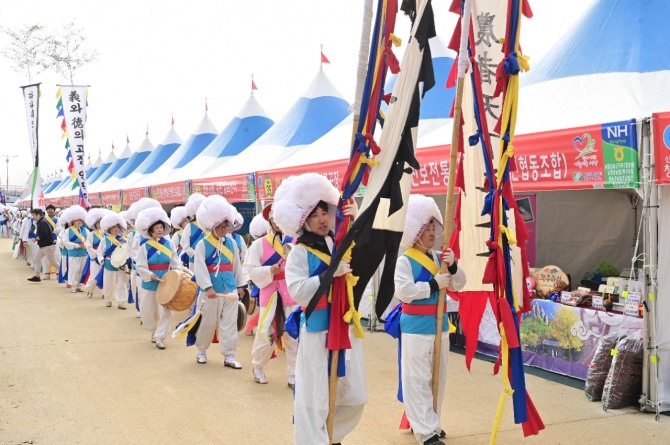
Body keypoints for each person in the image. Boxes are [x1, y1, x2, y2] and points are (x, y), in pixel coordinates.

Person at [275, 173, 365, 445]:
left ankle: (331, 435)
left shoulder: (335, 243)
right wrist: (329, 276)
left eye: (324, 211)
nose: (323, 219)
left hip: (344, 326)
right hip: (317, 331)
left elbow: (358, 252)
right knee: (315, 398)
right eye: (314, 214)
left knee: (355, 395)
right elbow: (299, 291)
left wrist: (355, 220)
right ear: (303, 220)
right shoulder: (299, 253)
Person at [393, 194, 467, 445]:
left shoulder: (439, 257)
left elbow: (459, 283)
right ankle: (424, 430)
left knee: (439, 376)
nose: (432, 232)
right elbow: (404, 292)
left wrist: (454, 265)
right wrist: (433, 285)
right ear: (415, 231)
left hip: (440, 326)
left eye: (433, 226)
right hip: (415, 327)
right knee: (417, 379)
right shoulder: (404, 260)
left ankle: (432, 422)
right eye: (426, 227)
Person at [244, 203, 298, 387]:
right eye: (276, 219)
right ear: (271, 221)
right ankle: (258, 366)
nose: (279, 223)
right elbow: (249, 269)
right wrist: (269, 270)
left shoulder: (296, 242)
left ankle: (294, 375)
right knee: (266, 332)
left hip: (290, 292)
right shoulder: (260, 244)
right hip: (270, 292)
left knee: (293, 334)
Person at [191, 195, 247, 367]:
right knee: (208, 323)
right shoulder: (202, 244)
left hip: (229, 289)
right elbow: (199, 267)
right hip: (212, 292)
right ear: (212, 225)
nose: (223, 229)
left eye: (225, 226)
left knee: (230, 323)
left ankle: (229, 355)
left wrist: (240, 285)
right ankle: (201, 350)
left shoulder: (231, 244)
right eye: (220, 226)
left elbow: (236, 265)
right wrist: (207, 287)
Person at [135, 207, 184, 350]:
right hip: (150, 282)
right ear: (151, 230)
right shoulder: (144, 247)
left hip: (167, 282)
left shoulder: (169, 244)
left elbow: (175, 262)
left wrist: (179, 272)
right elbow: (140, 266)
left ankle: (161, 336)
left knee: (166, 310)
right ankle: (154, 330)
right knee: (149, 311)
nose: (160, 229)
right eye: (157, 227)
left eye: (162, 227)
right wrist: (150, 274)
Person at [97, 212, 129, 309]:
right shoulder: (104, 240)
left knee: (121, 283)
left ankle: (121, 301)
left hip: (121, 264)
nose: (116, 229)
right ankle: (108, 299)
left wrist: (126, 241)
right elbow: (99, 252)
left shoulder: (123, 239)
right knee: (109, 283)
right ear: (109, 229)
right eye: (113, 227)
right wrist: (102, 260)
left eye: (117, 227)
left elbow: (128, 250)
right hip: (109, 264)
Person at [61, 205, 89, 293]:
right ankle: (73, 285)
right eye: (77, 220)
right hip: (73, 253)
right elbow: (65, 242)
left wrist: (85, 245)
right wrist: (75, 245)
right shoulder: (68, 230)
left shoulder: (85, 230)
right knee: (74, 269)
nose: (79, 222)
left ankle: (79, 286)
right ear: (73, 221)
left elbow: (89, 240)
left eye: (81, 220)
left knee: (81, 269)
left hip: (83, 253)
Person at [27, 208, 60, 283]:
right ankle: (37, 276)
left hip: (47, 246)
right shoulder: (44, 221)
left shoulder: (42, 222)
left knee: (53, 262)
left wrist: (36, 238)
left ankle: (64, 273)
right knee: (37, 259)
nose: (33, 217)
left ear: (38, 215)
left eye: (33, 215)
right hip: (44, 246)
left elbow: (44, 233)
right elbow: (51, 229)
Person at [84, 208, 108, 298]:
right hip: (95, 257)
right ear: (95, 224)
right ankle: (90, 290)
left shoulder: (106, 234)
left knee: (105, 275)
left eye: (102, 221)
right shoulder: (91, 234)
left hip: (104, 257)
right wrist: (97, 253)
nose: (100, 224)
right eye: (98, 222)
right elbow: (89, 246)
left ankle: (104, 292)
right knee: (94, 274)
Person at [179, 193, 206, 273]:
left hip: (209, 260)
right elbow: (185, 245)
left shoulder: (209, 225)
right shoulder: (189, 226)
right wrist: (197, 255)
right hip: (194, 260)